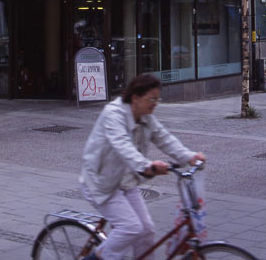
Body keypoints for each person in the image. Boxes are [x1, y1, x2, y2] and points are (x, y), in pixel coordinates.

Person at [79, 73, 205, 260]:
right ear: (135, 97)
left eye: (157, 99)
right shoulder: (113, 114)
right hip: (101, 183)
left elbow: (164, 138)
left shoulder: (145, 116)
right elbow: (123, 146)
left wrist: (189, 156)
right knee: (130, 227)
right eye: (151, 99)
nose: (155, 103)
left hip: (126, 182)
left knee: (146, 231)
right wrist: (148, 166)